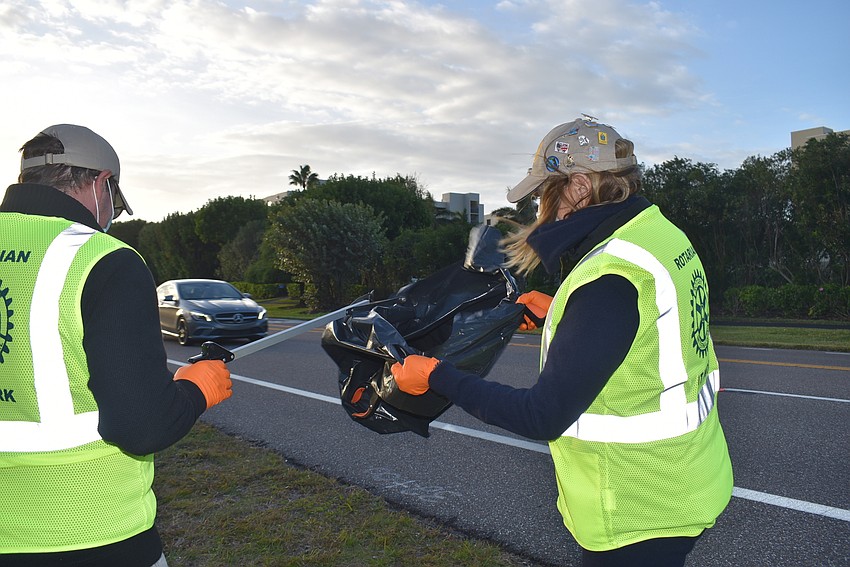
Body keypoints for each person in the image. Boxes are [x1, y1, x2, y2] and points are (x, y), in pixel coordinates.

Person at [391, 117, 734, 566]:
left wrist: (436, 375)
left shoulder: (608, 279)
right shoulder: (658, 237)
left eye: (542, 195)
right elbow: (647, 331)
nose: (540, 210)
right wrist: (562, 311)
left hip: (638, 509)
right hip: (688, 479)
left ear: (576, 187)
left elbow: (542, 416)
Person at [0, 124, 233, 566]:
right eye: (116, 203)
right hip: (91, 531)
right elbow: (141, 426)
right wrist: (195, 389)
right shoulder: (101, 259)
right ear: (101, 183)